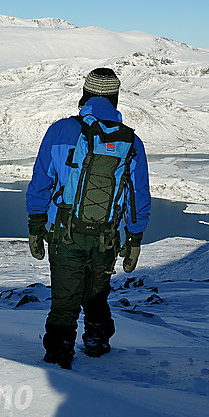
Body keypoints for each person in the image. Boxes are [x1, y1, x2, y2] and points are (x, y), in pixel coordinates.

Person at [26, 67, 151, 370]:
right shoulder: (131, 142)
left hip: (64, 234)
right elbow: (139, 197)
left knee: (64, 304)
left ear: (84, 95)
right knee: (97, 299)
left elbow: (41, 183)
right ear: (115, 99)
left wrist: (35, 225)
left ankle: (58, 360)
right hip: (106, 238)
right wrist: (134, 239)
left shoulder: (60, 131)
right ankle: (98, 350)